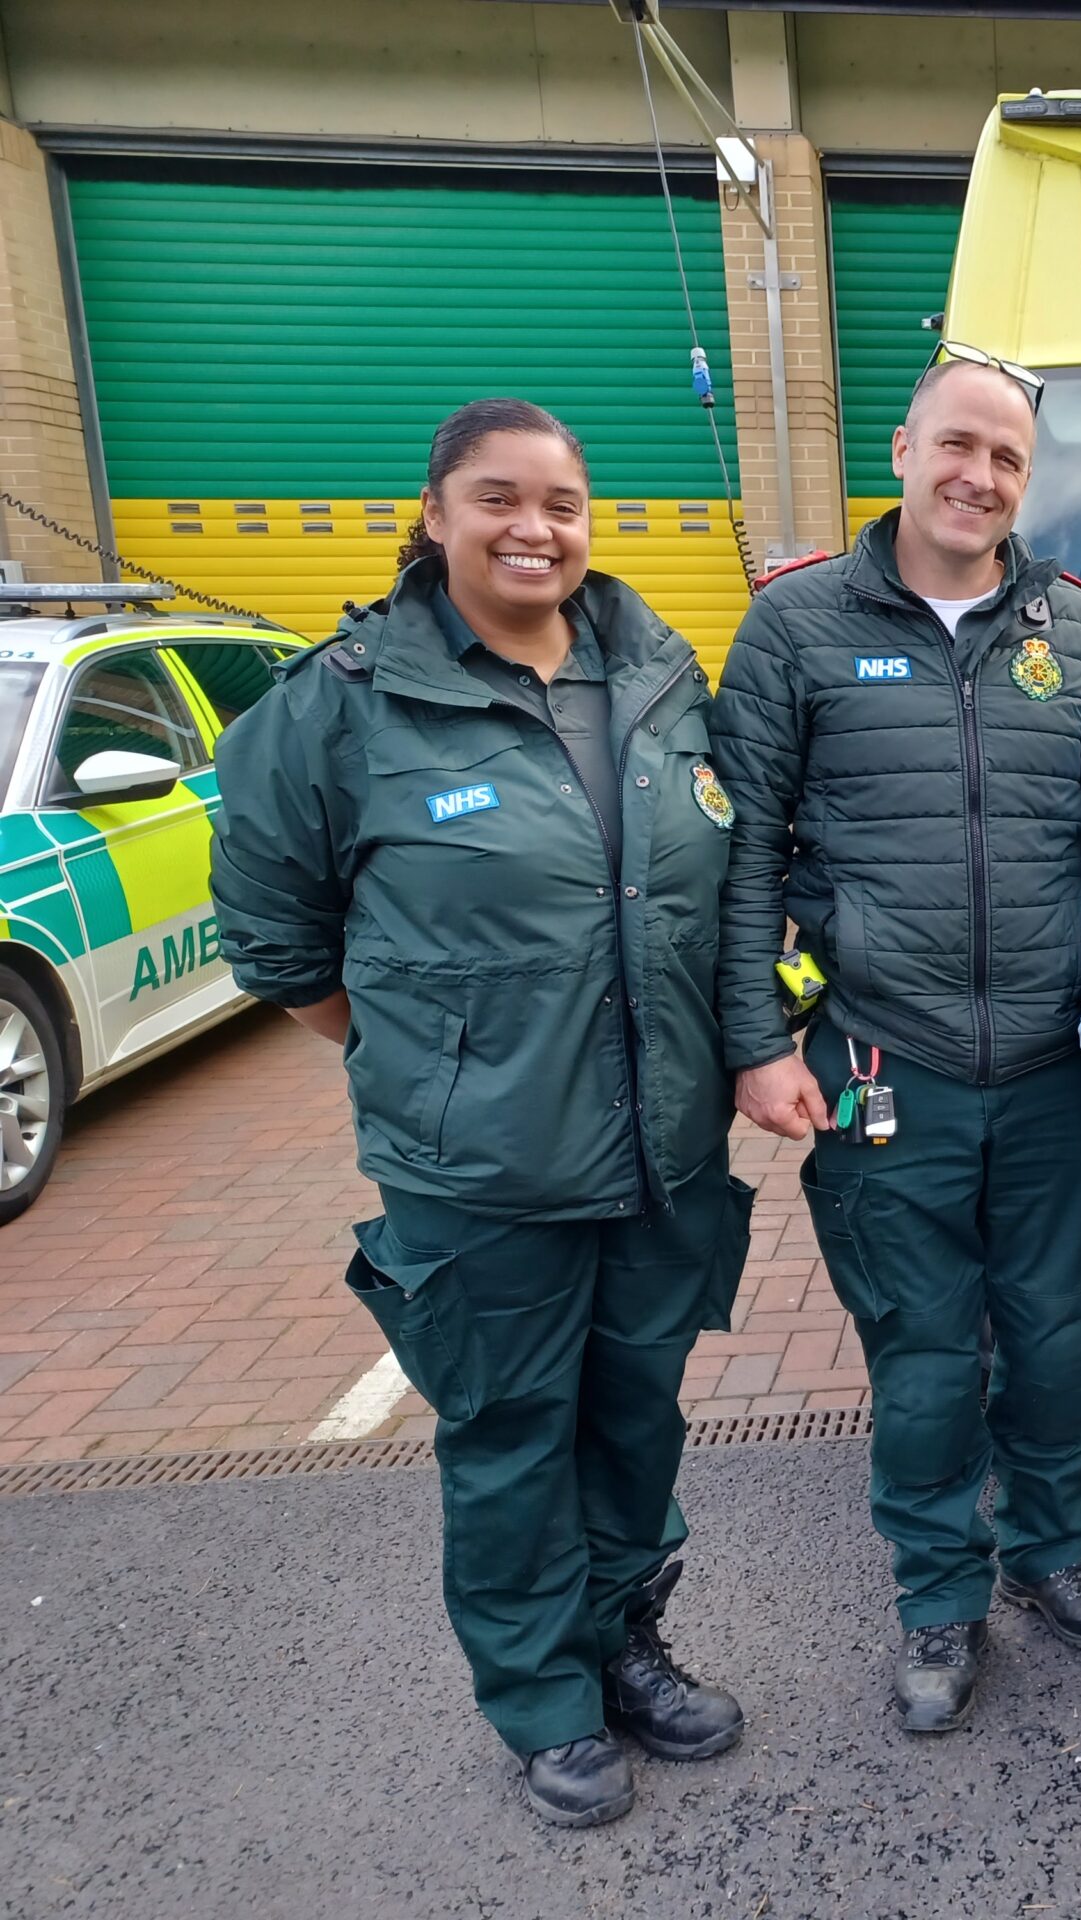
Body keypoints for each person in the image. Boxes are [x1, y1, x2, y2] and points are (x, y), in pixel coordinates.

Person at [209, 398, 753, 1828]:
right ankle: (544, 1700)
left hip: (660, 1149)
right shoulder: (337, 708)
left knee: (635, 1421)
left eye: (563, 503)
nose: (536, 529)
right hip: (480, 1169)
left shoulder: (655, 675)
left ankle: (629, 1645)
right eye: (500, 499)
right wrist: (437, 1061)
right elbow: (281, 951)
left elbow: (710, 885)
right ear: (436, 512)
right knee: (511, 1436)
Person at [710, 346, 1081, 1734]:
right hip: (881, 1071)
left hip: (1057, 1077)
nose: (979, 476)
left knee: (1062, 1339)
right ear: (901, 449)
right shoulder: (795, 629)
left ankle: (1053, 1554)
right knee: (927, 1354)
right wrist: (761, 1042)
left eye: (1008, 458)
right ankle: (941, 1598)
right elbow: (747, 856)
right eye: (959, 445)